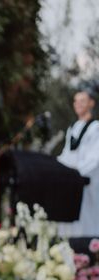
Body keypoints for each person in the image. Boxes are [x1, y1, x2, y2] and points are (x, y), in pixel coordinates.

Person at [57, 90, 99, 237]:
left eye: (82, 101)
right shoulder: (72, 128)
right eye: (75, 101)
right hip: (71, 181)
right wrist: (57, 167)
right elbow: (67, 154)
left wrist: (76, 172)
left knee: (88, 215)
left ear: (91, 103)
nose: (78, 104)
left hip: (88, 182)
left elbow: (94, 157)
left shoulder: (96, 127)